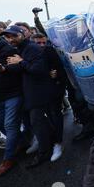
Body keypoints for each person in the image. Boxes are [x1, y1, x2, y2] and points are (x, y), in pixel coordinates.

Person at [0, 26, 58, 168]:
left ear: (22, 34)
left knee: (37, 122)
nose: (10, 39)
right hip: (31, 92)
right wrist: (3, 69)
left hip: (38, 92)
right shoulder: (21, 49)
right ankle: (53, 142)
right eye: (8, 37)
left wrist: (21, 62)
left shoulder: (32, 48)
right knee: (39, 122)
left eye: (13, 36)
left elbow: (38, 69)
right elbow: (21, 67)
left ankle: (44, 153)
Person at [0, 30, 23, 177]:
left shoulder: (7, 49)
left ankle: (8, 158)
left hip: (12, 93)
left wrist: (3, 69)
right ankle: (20, 140)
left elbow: (19, 66)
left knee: (10, 124)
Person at [31, 33, 67, 162]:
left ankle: (58, 143)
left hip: (53, 90)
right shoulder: (28, 54)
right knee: (43, 118)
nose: (42, 45)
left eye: (43, 43)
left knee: (55, 114)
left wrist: (57, 83)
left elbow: (60, 70)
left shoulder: (50, 51)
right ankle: (46, 141)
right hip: (38, 92)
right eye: (38, 43)